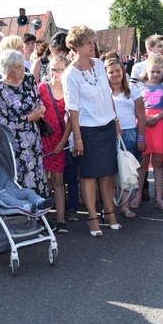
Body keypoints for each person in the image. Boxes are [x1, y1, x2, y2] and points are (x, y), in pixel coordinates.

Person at [62, 25, 122, 237]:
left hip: (106, 127)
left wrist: (115, 120)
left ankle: (110, 214)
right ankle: (93, 219)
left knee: (107, 173)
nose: (92, 45)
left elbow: (107, 95)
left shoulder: (98, 64)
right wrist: (77, 138)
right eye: (88, 42)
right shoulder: (69, 74)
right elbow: (73, 109)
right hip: (86, 130)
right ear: (77, 46)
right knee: (88, 176)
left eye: (92, 41)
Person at [0, 49, 48, 197]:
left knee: (37, 176)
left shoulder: (29, 79)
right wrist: (28, 118)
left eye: (22, 64)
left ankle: (40, 215)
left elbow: (37, 99)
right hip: (15, 144)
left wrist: (41, 108)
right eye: (18, 67)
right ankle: (24, 217)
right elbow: (2, 122)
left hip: (34, 139)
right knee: (20, 180)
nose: (23, 69)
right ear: (7, 69)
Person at [130, 34, 163, 203]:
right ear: (146, 70)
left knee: (159, 162)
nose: (155, 74)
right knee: (142, 161)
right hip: (143, 124)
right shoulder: (138, 85)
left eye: (158, 71)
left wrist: (157, 116)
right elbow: (132, 105)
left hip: (160, 124)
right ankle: (138, 194)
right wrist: (142, 119)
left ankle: (160, 196)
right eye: (152, 71)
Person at [106, 58, 146, 218]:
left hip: (129, 134)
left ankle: (125, 205)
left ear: (123, 71)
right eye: (111, 72)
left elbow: (141, 116)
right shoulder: (104, 92)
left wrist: (141, 138)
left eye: (118, 70)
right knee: (110, 171)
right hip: (109, 135)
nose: (115, 74)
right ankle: (110, 205)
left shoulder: (133, 91)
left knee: (127, 169)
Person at [38, 56, 73, 232]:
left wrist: (63, 141)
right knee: (42, 181)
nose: (56, 73)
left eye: (60, 69)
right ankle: (43, 220)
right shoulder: (41, 89)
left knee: (58, 180)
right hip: (43, 139)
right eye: (53, 69)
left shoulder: (70, 91)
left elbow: (72, 120)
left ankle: (60, 220)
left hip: (60, 139)